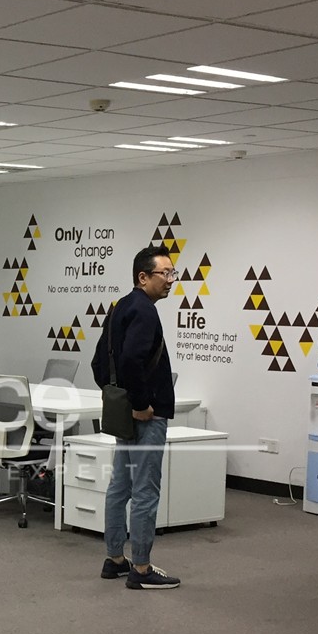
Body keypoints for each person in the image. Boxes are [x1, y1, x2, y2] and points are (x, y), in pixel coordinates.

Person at [91, 245, 181, 590]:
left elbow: (99, 363)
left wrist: (118, 397)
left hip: (124, 413)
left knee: (120, 486)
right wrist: (140, 403)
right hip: (146, 415)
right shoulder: (145, 311)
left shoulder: (119, 307)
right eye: (165, 273)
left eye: (173, 273)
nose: (170, 280)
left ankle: (115, 559)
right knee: (145, 491)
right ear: (143, 277)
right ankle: (141, 568)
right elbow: (131, 359)